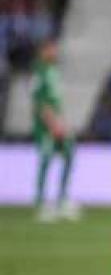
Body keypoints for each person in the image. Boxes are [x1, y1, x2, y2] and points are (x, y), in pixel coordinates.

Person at [32, 40, 80, 222]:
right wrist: (53, 125)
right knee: (46, 160)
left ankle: (62, 199)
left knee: (69, 155)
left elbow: (55, 102)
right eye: (51, 48)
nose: (55, 51)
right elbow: (40, 104)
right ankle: (41, 202)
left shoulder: (53, 71)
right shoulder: (40, 72)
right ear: (43, 50)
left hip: (57, 123)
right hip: (45, 127)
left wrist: (62, 123)